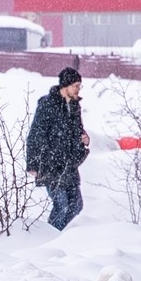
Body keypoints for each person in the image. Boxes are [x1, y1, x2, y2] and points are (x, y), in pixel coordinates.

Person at [25, 66, 91, 230]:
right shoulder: (48, 104)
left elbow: (77, 132)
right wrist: (33, 163)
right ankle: (50, 238)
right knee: (61, 205)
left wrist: (85, 140)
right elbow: (35, 134)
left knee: (76, 205)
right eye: (76, 86)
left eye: (79, 86)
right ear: (66, 85)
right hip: (50, 164)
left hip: (69, 165)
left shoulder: (74, 106)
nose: (78, 89)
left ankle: (56, 235)